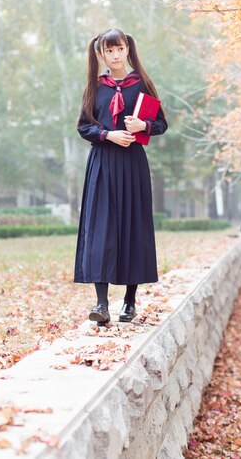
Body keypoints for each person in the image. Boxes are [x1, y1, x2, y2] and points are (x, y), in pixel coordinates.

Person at [74, 28, 168, 325]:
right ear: (100, 54)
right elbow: (83, 127)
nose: (115, 56)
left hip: (132, 165)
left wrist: (143, 126)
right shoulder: (94, 87)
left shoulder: (141, 84)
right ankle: (101, 304)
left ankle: (129, 302)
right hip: (102, 164)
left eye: (120, 49)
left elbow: (162, 123)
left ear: (128, 49)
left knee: (132, 227)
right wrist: (108, 134)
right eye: (109, 51)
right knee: (101, 228)